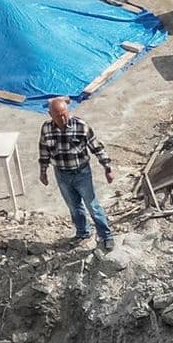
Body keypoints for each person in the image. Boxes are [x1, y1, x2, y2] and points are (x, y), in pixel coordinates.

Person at [37, 95, 115, 251]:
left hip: (82, 173)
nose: (63, 118)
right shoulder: (46, 128)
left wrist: (107, 168)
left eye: (65, 114)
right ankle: (83, 232)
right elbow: (44, 150)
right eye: (58, 116)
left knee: (92, 205)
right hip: (62, 174)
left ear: (68, 110)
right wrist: (43, 171)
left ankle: (106, 236)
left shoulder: (81, 126)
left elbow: (97, 147)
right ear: (51, 115)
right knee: (74, 206)